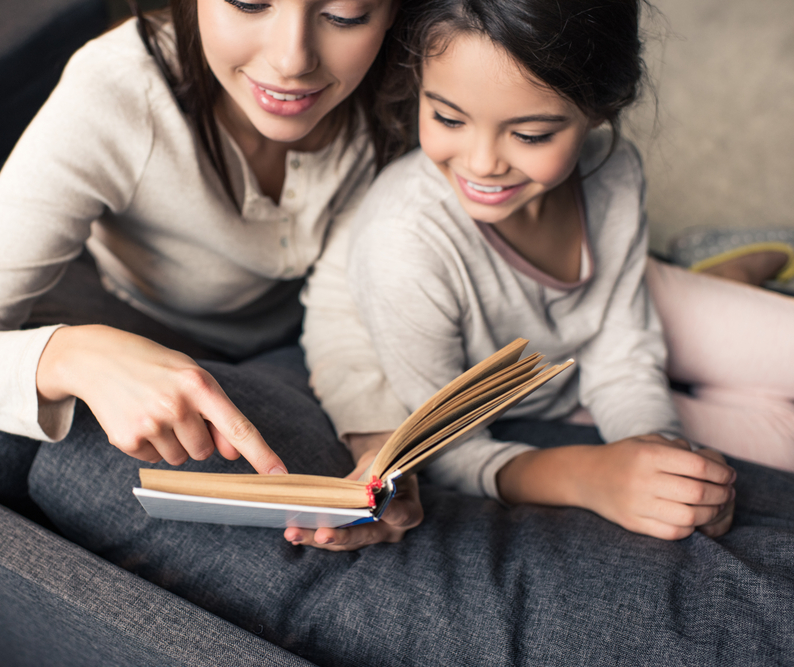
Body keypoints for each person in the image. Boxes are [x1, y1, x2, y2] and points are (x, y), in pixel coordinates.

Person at [0, 0, 421, 549]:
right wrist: (72, 357)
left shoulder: (413, 88)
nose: (292, 59)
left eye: (346, 15)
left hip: (297, 344)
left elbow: (340, 296)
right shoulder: (116, 92)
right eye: (250, 3)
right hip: (148, 314)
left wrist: (379, 449)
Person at [313, 0, 793, 543]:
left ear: (601, 109)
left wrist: (652, 443)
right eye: (448, 117)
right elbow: (448, 450)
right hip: (563, 386)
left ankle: (717, 275)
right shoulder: (404, 244)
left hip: (637, 306)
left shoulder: (614, 171)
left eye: (532, 134)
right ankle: (724, 278)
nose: (482, 162)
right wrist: (596, 476)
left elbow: (622, 349)